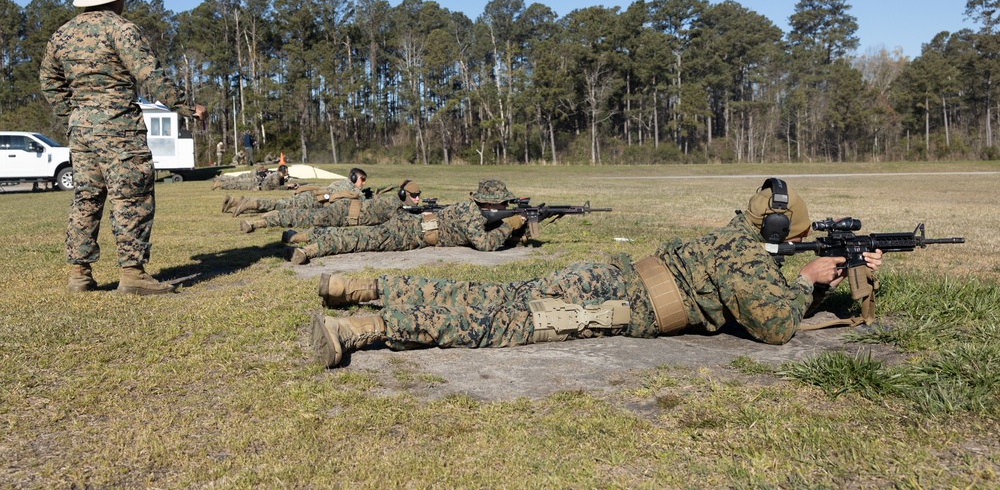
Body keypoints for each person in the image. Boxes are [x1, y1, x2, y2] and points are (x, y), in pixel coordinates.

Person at [309, 178, 885, 368]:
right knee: (499, 320)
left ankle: (361, 286)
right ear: (782, 233)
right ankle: (358, 330)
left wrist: (810, 276)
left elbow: (751, 290)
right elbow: (774, 326)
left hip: (609, 278)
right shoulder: (746, 259)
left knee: (493, 294)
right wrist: (810, 281)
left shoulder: (730, 239)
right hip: (614, 306)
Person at [39, 0, 206, 295]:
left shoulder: (63, 34)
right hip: (120, 129)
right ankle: (132, 276)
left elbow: (48, 83)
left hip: (81, 131)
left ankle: (79, 274)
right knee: (131, 195)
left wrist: (75, 114)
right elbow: (149, 75)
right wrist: (187, 105)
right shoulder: (121, 29)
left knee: (86, 197)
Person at [285, 179, 526, 265]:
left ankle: (300, 236)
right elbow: (484, 244)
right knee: (359, 240)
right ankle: (308, 249)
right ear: (491, 204)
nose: (506, 208)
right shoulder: (473, 215)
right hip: (410, 233)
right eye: (504, 204)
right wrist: (509, 225)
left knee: (360, 236)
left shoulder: (470, 208)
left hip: (411, 226)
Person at [236, 177, 420, 235]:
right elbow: (405, 224)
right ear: (404, 195)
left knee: (304, 216)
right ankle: (257, 223)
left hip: (344, 209)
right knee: (305, 218)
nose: (417, 199)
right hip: (343, 213)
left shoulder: (393, 203)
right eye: (415, 196)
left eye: (418, 197)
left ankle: (270, 218)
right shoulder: (394, 207)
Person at [221, 166, 369, 216]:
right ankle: (249, 204)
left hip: (312, 195)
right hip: (315, 200)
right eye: (362, 180)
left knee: (280, 203)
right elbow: (362, 201)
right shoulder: (352, 189)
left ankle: (236, 201)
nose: (363, 183)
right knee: (279, 206)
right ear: (355, 177)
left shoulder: (342, 182)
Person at [212, 164, 297, 191]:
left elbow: (280, 185)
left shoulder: (280, 177)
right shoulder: (276, 176)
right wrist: (288, 186)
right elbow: (277, 187)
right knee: (237, 185)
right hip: (257, 186)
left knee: (237, 183)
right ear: (283, 171)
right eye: (286, 170)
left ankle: (220, 182)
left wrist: (291, 186)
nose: (287, 172)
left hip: (258, 184)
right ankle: (220, 184)